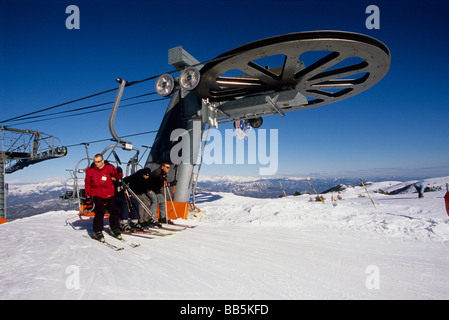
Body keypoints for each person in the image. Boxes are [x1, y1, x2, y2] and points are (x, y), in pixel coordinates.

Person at [84, 153, 122, 241]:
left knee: (114, 210)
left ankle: (114, 228)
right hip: (96, 193)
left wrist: (119, 172)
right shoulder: (90, 170)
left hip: (109, 192)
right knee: (100, 210)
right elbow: (87, 183)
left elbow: (117, 177)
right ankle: (97, 231)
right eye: (94, 161)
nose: (96, 163)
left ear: (102, 161)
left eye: (98, 162)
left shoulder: (110, 168)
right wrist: (88, 195)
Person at [114, 167, 141, 232]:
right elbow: (112, 190)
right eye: (119, 173)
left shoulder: (122, 180)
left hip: (122, 196)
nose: (120, 175)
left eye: (121, 173)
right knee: (124, 202)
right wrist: (119, 188)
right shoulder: (113, 180)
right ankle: (123, 223)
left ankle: (134, 221)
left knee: (134, 201)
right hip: (114, 197)